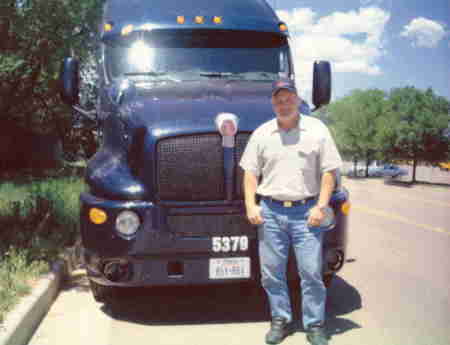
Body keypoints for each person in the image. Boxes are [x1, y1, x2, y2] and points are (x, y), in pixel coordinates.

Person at [239, 79, 343, 345]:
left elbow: (329, 171)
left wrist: (320, 206)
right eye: (278, 100)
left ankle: (315, 324)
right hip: (270, 212)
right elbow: (250, 173)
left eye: (288, 98)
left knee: (311, 272)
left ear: (297, 100)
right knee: (272, 273)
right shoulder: (262, 134)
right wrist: (251, 205)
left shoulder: (317, 130)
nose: (283, 104)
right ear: (273, 103)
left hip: (307, 212)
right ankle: (281, 320)